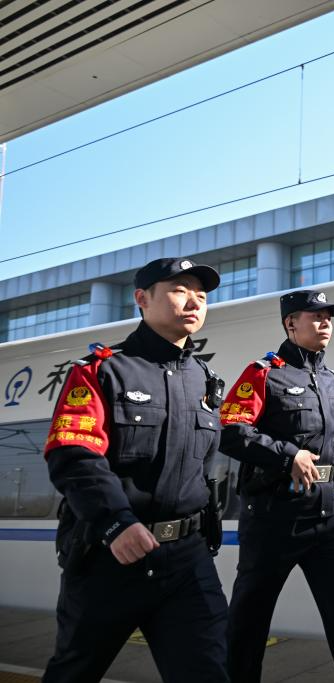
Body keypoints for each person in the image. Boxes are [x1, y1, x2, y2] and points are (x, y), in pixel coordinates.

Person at [42, 257, 228, 682]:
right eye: (179, 291)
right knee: (74, 672)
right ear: (142, 299)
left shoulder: (205, 381)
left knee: (210, 672)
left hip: (187, 561)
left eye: (201, 296)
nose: (194, 302)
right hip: (110, 558)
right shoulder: (102, 370)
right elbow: (72, 453)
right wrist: (116, 521)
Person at [220, 290, 334, 682]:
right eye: (315, 316)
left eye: (328, 316)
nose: (325, 322)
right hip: (272, 521)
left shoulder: (332, 382)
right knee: (247, 626)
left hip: (327, 522)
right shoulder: (264, 374)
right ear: (290, 323)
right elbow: (230, 431)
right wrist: (287, 456)